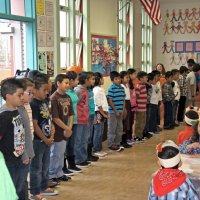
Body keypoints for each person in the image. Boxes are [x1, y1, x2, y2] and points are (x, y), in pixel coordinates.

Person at [30, 73, 58, 200]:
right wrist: (45, 138)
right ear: (34, 90)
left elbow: (48, 118)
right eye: (44, 90)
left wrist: (51, 132)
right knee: (36, 167)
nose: (47, 93)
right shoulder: (33, 104)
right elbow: (35, 125)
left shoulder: (45, 101)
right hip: (38, 140)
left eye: (48, 90)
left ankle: (44, 185)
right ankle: (35, 191)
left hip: (47, 139)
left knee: (46, 164)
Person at [0, 78, 25, 199]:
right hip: (8, 160)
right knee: (11, 189)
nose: (22, 97)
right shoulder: (3, 115)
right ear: (8, 96)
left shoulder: (16, 110)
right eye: (19, 95)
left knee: (19, 187)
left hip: (18, 157)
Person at [49, 74, 74, 182]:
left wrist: (69, 127)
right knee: (55, 154)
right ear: (58, 83)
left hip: (65, 130)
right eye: (66, 83)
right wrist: (66, 128)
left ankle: (59, 173)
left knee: (61, 152)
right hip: (57, 131)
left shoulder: (67, 97)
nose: (68, 85)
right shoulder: (54, 98)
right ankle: (51, 175)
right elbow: (55, 118)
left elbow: (71, 114)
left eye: (69, 83)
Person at [18, 78, 35, 200]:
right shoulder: (16, 110)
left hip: (28, 146)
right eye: (29, 92)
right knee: (20, 179)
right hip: (20, 152)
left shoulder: (27, 106)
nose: (32, 95)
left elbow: (29, 131)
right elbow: (19, 135)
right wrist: (25, 153)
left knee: (24, 177)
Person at [65, 71, 82, 173]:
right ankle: (64, 167)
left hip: (75, 120)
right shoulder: (65, 93)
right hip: (67, 122)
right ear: (71, 81)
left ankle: (72, 164)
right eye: (76, 79)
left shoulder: (73, 91)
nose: (78, 81)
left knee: (72, 143)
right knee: (66, 144)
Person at [74, 72, 91, 167]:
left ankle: (83, 158)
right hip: (79, 119)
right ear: (85, 80)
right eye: (90, 79)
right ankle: (77, 159)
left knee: (85, 139)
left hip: (85, 118)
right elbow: (75, 104)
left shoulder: (86, 90)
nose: (91, 81)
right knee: (78, 140)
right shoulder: (78, 90)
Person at [107, 71, 126, 151]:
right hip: (112, 113)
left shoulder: (122, 88)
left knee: (119, 128)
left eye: (119, 78)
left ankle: (117, 143)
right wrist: (116, 111)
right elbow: (110, 101)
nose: (118, 80)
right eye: (116, 79)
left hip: (120, 112)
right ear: (112, 80)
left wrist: (123, 109)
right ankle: (111, 144)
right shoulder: (111, 88)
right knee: (112, 128)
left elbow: (123, 100)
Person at [92, 72, 108, 157]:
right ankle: (96, 149)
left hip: (101, 112)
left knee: (101, 131)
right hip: (98, 112)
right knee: (98, 131)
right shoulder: (97, 90)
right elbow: (98, 103)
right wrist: (103, 113)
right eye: (102, 78)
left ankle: (99, 148)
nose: (103, 79)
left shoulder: (100, 89)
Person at [87, 72, 99, 162]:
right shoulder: (83, 90)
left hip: (91, 114)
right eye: (92, 79)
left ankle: (89, 153)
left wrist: (94, 115)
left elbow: (92, 104)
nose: (93, 81)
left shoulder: (91, 90)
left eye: (94, 79)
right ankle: (86, 155)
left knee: (90, 135)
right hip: (85, 116)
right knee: (86, 136)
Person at [134, 71, 148, 141]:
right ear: (141, 78)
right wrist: (136, 107)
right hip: (139, 108)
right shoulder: (138, 86)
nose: (147, 79)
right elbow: (136, 97)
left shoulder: (144, 86)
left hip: (144, 107)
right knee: (139, 122)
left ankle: (140, 134)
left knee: (143, 122)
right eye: (145, 77)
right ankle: (137, 136)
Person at [120, 71, 132, 148]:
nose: (128, 79)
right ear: (121, 78)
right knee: (124, 123)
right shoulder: (121, 86)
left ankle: (126, 139)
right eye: (126, 77)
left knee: (128, 122)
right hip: (124, 104)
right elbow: (123, 98)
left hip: (128, 103)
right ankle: (122, 141)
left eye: (128, 77)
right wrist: (124, 108)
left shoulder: (127, 85)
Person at [127, 68, 137, 144]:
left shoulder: (132, 84)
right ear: (130, 75)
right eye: (134, 74)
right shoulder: (127, 85)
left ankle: (131, 137)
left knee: (132, 121)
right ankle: (128, 138)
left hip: (133, 105)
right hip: (129, 105)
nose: (135, 75)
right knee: (129, 122)